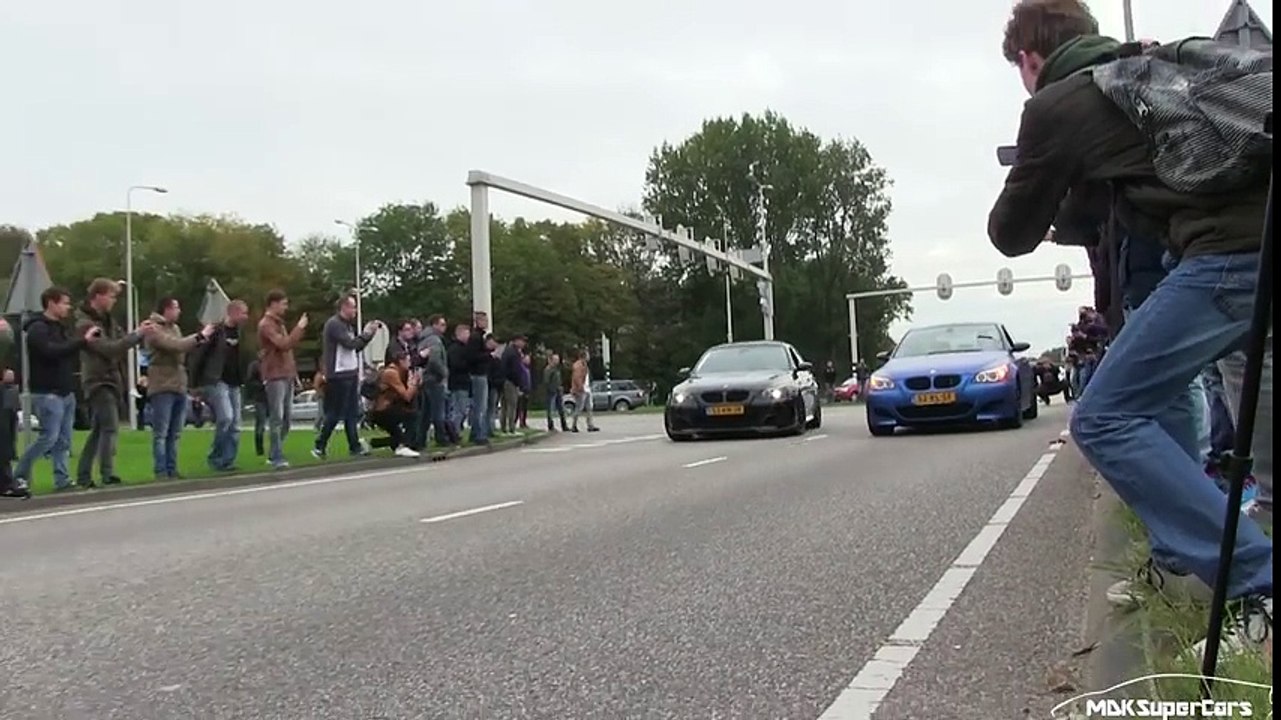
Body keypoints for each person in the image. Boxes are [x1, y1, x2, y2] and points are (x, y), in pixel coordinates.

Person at [989, 0, 1272, 655]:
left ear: (1030, 61)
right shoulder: (1150, 68)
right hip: (1255, 236)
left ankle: (1255, 585)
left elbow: (1011, 234)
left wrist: (1040, 166)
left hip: (1232, 254)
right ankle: (1203, 576)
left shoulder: (1055, 104)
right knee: (1220, 405)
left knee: (1103, 417)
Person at [15, 287, 101, 493]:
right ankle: (18, 475)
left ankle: (61, 479)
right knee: (48, 437)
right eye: (64, 303)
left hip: (64, 390)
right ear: (51, 303)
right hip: (47, 391)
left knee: (64, 440)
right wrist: (82, 341)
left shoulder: (60, 327)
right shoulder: (38, 329)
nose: (68, 307)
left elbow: (66, 351)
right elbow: (50, 352)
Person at [75, 278, 153, 488]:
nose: (113, 301)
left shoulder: (108, 321)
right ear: (98, 296)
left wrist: (137, 334)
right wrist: (137, 335)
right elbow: (110, 348)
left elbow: (120, 341)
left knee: (100, 429)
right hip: (98, 380)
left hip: (111, 379)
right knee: (109, 426)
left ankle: (84, 475)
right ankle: (107, 473)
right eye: (111, 296)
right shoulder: (86, 324)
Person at [144, 297, 214, 480]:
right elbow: (175, 346)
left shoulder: (175, 328)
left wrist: (196, 342)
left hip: (179, 383)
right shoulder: (152, 328)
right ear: (166, 309)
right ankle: (160, 471)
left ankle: (172, 468)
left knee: (175, 432)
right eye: (176, 307)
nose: (179, 311)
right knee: (161, 432)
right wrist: (199, 336)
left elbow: (182, 350)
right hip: (162, 385)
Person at [313, 296, 378, 459]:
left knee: (351, 413)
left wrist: (366, 337)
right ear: (343, 307)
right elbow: (349, 344)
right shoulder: (334, 324)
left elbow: (355, 348)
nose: (355, 311)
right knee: (335, 413)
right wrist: (366, 334)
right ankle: (320, 444)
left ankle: (354, 446)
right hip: (338, 373)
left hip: (350, 371)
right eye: (353, 307)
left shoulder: (347, 326)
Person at [189, 299, 249, 472]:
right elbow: (198, 356)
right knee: (225, 418)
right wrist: (195, 384)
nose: (246, 317)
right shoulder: (216, 331)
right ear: (233, 312)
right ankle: (215, 456)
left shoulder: (240, 333)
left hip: (235, 381)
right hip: (217, 379)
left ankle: (227, 460)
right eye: (243, 313)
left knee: (236, 424)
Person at [258, 289, 308, 470]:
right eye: (283, 304)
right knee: (277, 417)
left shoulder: (279, 323)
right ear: (273, 304)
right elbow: (284, 345)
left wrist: (294, 375)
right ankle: (276, 456)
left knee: (287, 419)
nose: (286, 308)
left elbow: (288, 352)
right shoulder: (266, 325)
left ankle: (274, 451)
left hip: (286, 374)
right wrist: (299, 328)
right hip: (274, 375)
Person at [370, 350, 422, 458]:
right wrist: (414, 383)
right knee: (412, 416)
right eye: (407, 360)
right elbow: (407, 396)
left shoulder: (398, 372)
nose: (410, 363)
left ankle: (374, 443)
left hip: (386, 408)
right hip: (383, 411)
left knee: (396, 433)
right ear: (401, 361)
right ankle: (403, 446)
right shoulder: (391, 373)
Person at [417, 314, 454, 449]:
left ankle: (420, 440)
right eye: (442, 324)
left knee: (426, 413)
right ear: (434, 325)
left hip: (426, 379)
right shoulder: (434, 341)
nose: (444, 327)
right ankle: (441, 438)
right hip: (435, 379)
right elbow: (434, 360)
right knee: (438, 412)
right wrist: (444, 372)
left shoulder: (423, 339)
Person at [465, 312, 492, 445]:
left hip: (480, 373)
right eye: (484, 320)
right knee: (480, 406)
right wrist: (489, 355)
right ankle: (479, 434)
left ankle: (476, 432)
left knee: (480, 405)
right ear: (478, 321)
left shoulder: (478, 337)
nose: (486, 323)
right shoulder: (476, 337)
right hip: (478, 374)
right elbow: (473, 357)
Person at [446, 323, 472, 438]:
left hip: (461, 382)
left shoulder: (462, 348)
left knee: (461, 409)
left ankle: (455, 431)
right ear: (459, 334)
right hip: (458, 383)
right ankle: (454, 432)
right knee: (459, 410)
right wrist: (468, 364)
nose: (469, 337)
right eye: (467, 334)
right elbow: (455, 365)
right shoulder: (456, 349)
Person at [500, 334, 528, 434]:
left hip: (505, 380)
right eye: (522, 341)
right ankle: (511, 428)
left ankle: (503, 427)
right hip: (511, 381)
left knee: (504, 405)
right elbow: (515, 370)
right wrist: (519, 383)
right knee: (512, 405)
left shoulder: (507, 351)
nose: (524, 344)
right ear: (516, 341)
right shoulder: (514, 353)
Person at [569, 348, 599, 433]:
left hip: (586, 389)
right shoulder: (578, 365)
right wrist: (580, 388)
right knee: (579, 407)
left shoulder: (584, 364)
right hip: (581, 390)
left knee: (589, 407)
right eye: (588, 355)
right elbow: (577, 378)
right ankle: (574, 425)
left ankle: (590, 425)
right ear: (584, 356)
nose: (589, 356)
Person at [543, 352, 569, 432]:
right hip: (552, 392)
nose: (557, 361)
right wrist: (551, 389)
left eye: (557, 359)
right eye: (555, 359)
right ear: (551, 360)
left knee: (561, 409)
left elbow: (558, 380)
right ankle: (550, 425)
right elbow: (546, 381)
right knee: (551, 409)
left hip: (558, 391)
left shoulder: (557, 369)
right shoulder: (548, 370)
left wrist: (560, 387)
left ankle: (564, 425)